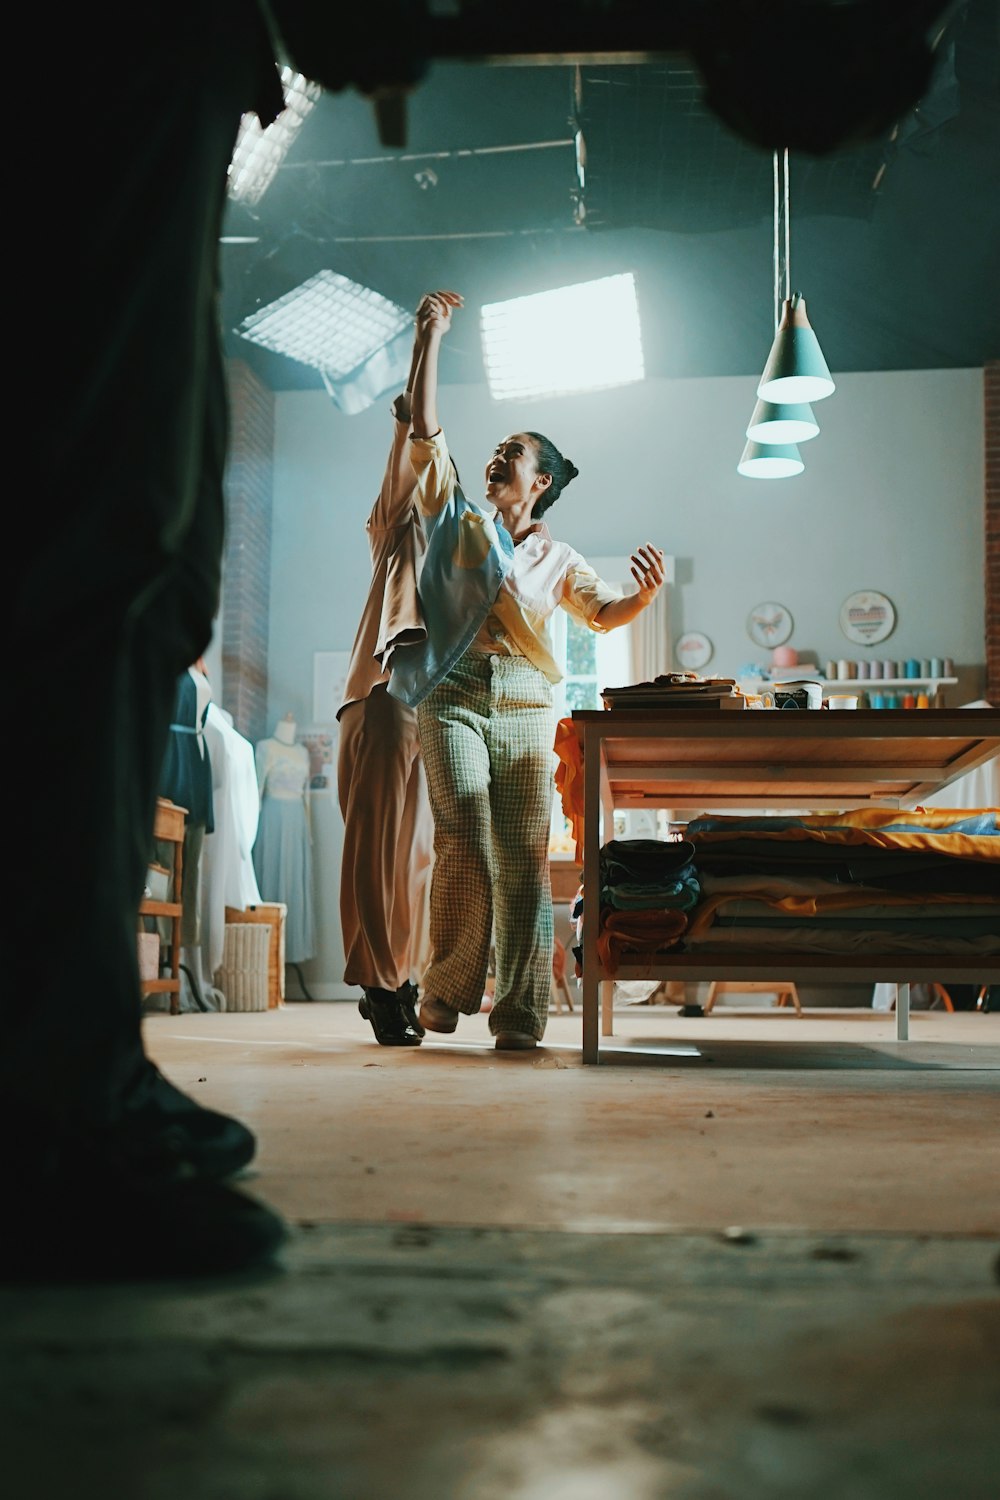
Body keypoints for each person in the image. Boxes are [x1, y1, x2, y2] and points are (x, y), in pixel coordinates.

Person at [7, 5, 430, 1283]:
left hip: (158, 67)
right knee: (108, 540)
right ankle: (49, 1113)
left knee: (157, 551)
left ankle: (78, 1065)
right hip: (100, 55)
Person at [388, 290, 667, 1051]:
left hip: (526, 702)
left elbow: (604, 614)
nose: (496, 457)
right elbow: (422, 427)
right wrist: (430, 337)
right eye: (498, 449)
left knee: (522, 860)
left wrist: (641, 596)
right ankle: (446, 986)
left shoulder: (560, 558)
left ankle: (519, 1013)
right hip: (451, 696)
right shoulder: (454, 516)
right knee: (464, 833)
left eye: (512, 452)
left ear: (539, 481)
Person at [336, 309, 438, 1047]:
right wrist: (423, 347)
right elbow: (411, 443)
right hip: (380, 696)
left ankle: (401, 974)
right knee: (378, 850)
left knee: (420, 856)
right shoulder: (398, 528)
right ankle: (379, 984)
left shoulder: (466, 552)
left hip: (432, 708)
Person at [253, 713, 316, 968]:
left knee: (293, 881)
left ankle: (290, 950)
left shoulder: (303, 752)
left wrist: (308, 834)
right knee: (272, 873)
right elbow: (256, 790)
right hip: (272, 818)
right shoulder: (264, 748)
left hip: (297, 820)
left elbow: (307, 797)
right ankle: (267, 955)